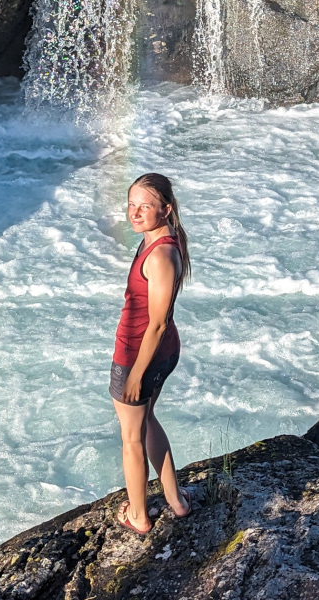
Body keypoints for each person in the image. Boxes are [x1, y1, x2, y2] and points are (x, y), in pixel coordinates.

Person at [111, 173, 194, 534]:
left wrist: (135, 374)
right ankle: (175, 500)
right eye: (131, 204)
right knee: (147, 421)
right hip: (161, 352)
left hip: (141, 355)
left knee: (131, 438)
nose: (135, 212)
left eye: (145, 205)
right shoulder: (156, 241)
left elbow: (156, 324)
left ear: (166, 209)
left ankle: (140, 517)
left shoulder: (160, 256)